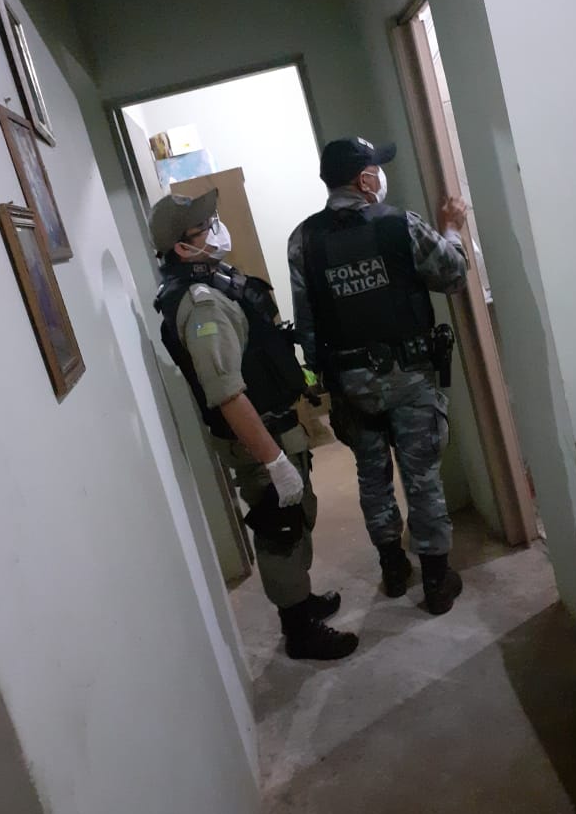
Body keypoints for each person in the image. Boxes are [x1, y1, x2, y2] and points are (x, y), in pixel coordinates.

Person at [149, 188, 358, 660]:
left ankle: (300, 600)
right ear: (182, 247)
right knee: (281, 530)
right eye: (205, 227)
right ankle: (299, 630)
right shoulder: (202, 305)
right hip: (258, 439)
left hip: (275, 427)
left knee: (297, 519)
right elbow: (226, 394)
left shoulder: (216, 282)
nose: (216, 229)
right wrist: (274, 461)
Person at [288, 136, 469, 615]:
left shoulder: (303, 240)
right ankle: (436, 582)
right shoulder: (399, 223)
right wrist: (451, 228)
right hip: (408, 375)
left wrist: (325, 379)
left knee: (372, 478)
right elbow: (453, 274)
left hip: (350, 383)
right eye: (376, 169)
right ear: (365, 179)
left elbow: (306, 322)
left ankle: (393, 569)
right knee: (422, 476)